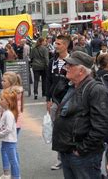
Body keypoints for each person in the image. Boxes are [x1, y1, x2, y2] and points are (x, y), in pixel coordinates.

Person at [52, 51, 108, 178]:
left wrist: (81, 149)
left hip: (83, 155)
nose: (66, 67)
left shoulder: (95, 90)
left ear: (81, 71)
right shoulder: (73, 86)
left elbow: (102, 126)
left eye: (70, 65)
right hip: (68, 151)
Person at [45, 35, 71, 170]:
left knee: (69, 128)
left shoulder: (72, 61)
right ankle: (60, 159)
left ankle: (70, 157)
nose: (56, 46)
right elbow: (48, 80)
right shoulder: (52, 62)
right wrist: (48, 99)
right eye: (55, 43)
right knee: (57, 129)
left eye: (59, 44)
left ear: (66, 45)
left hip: (70, 100)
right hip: (56, 100)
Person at [0, 90, 21, 179]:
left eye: (2, 99)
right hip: (6, 140)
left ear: (8, 102)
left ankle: (16, 176)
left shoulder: (9, 114)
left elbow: (8, 129)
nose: (0, 100)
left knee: (13, 160)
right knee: (12, 159)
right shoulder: (6, 112)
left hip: (9, 140)